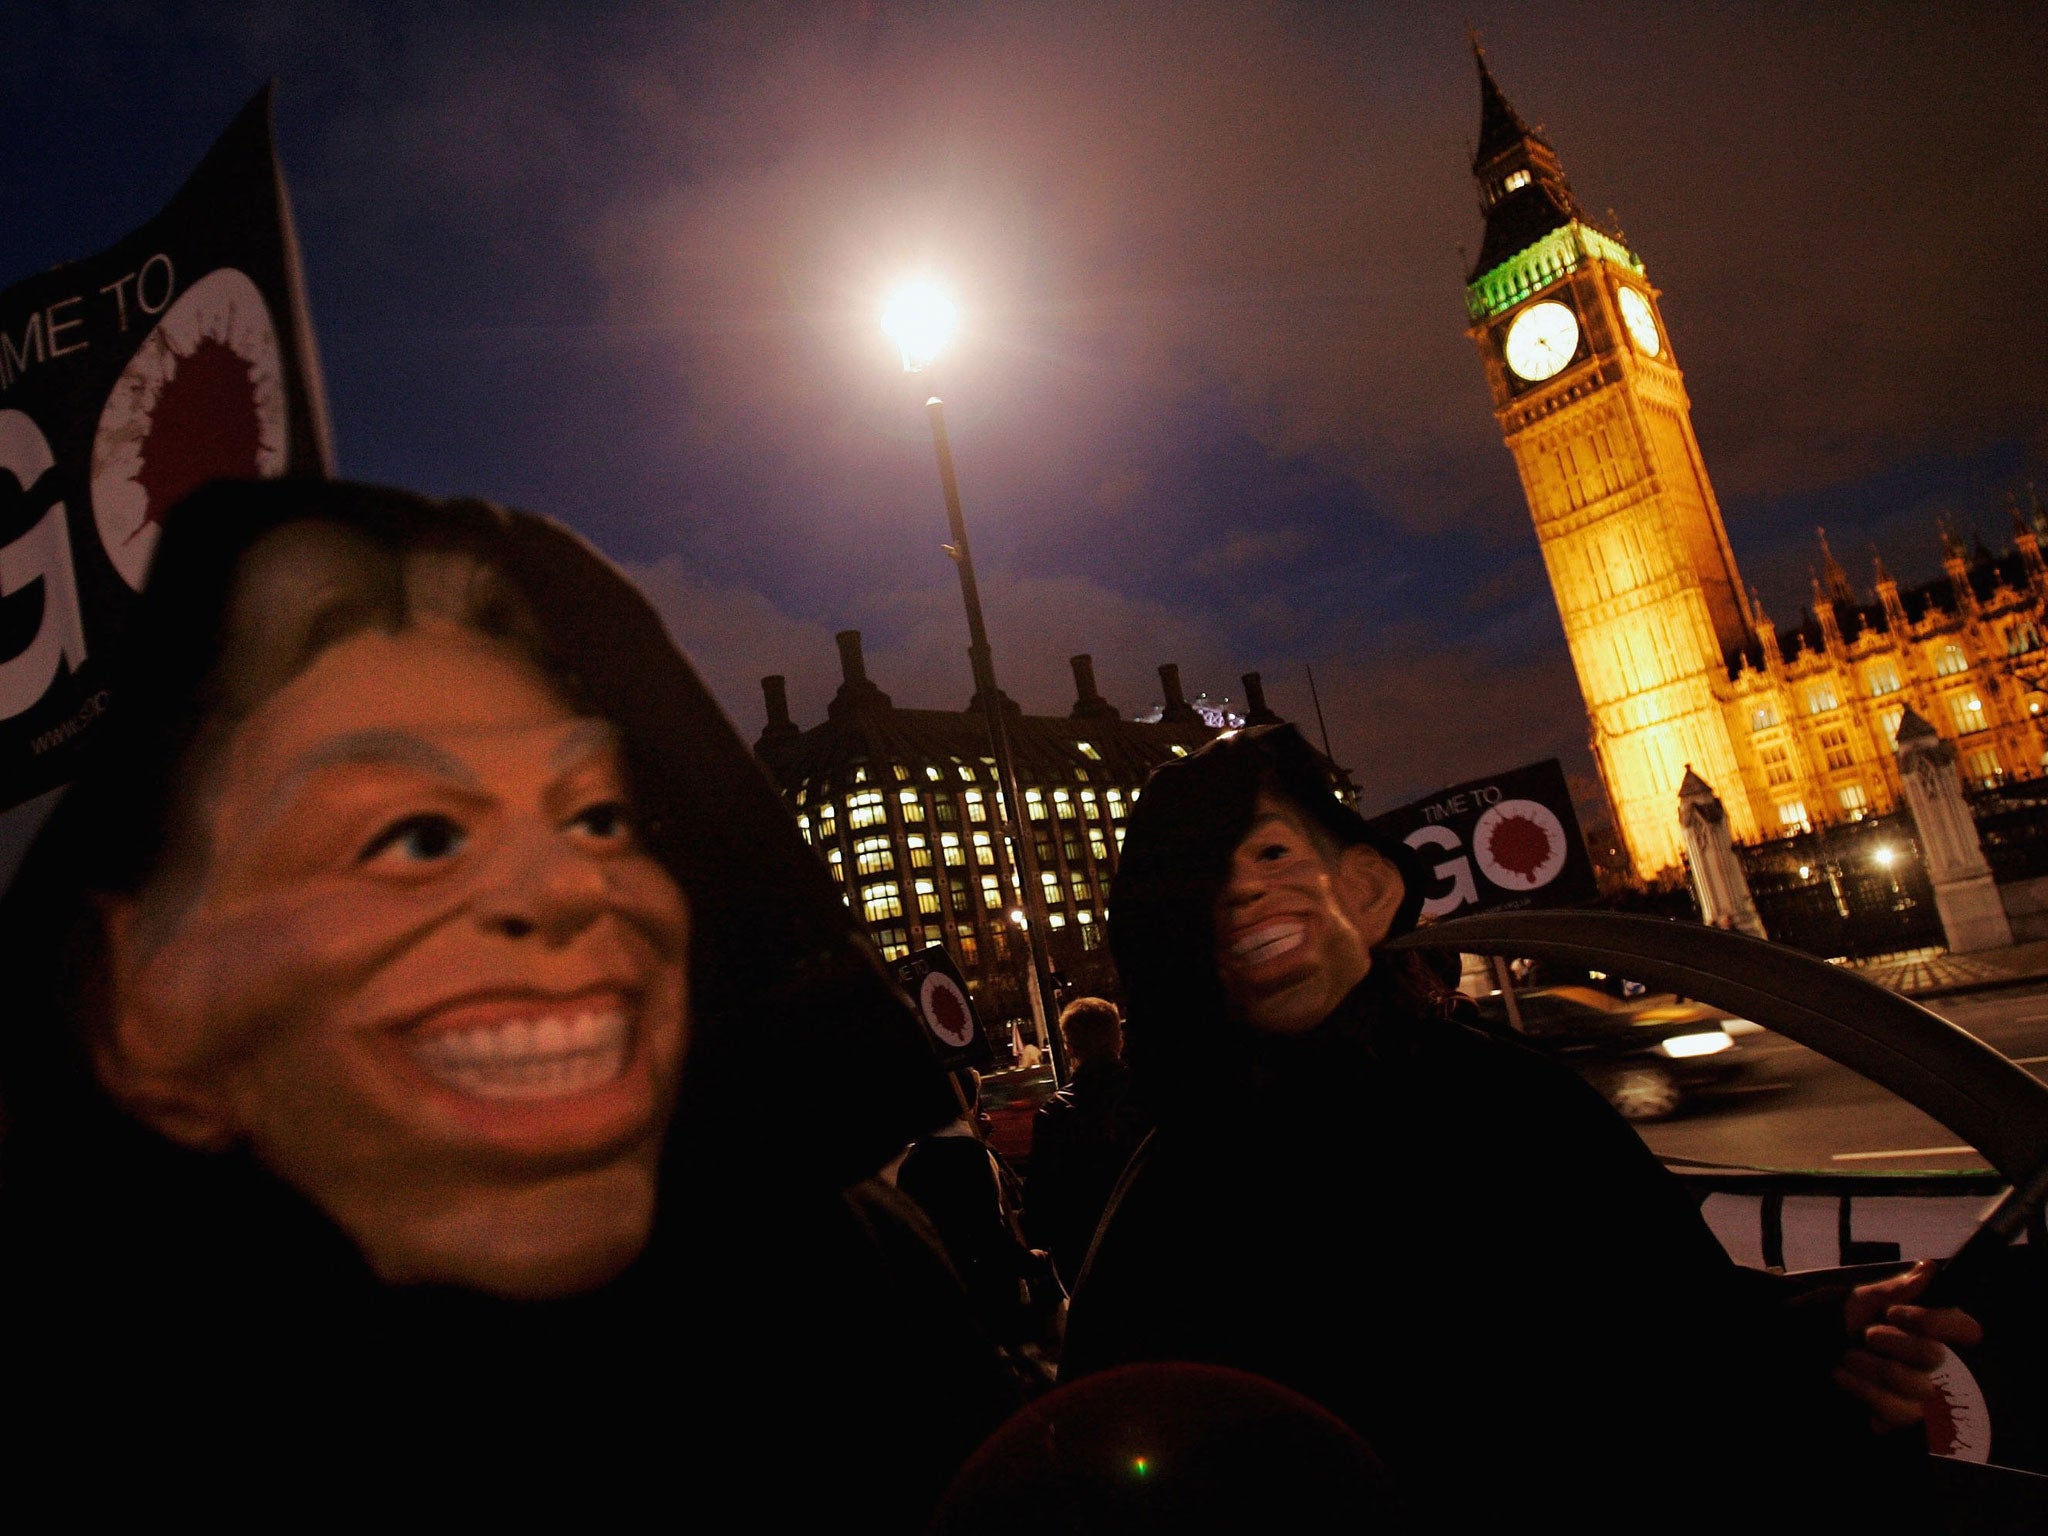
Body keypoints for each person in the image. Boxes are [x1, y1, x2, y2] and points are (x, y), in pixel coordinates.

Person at [0, 480, 1011, 1517]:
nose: (577, 888)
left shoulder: (856, 1289)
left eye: (600, 817)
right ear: (141, 1000)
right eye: (419, 836)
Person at [1060, 724, 1980, 1529]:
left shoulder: (1507, 1104)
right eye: (1204, 885)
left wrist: (1823, 1340)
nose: (1245, 897)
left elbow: (1667, 1325)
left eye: (1268, 857)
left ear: (1368, 888)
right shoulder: (1176, 1196)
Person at [897, 1070, 1059, 1377]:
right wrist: (1027, 1260)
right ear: (968, 1100)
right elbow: (986, 1231)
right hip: (988, 1289)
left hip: (947, 1291)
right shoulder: (971, 1154)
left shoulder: (915, 1159)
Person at [1024, 997, 1150, 1288]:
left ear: (1070, 1048)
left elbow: (1042, 1192)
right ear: (1118, 1040)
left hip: (1086, 1250)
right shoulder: (1152, 1095)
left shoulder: (1055, 1112)